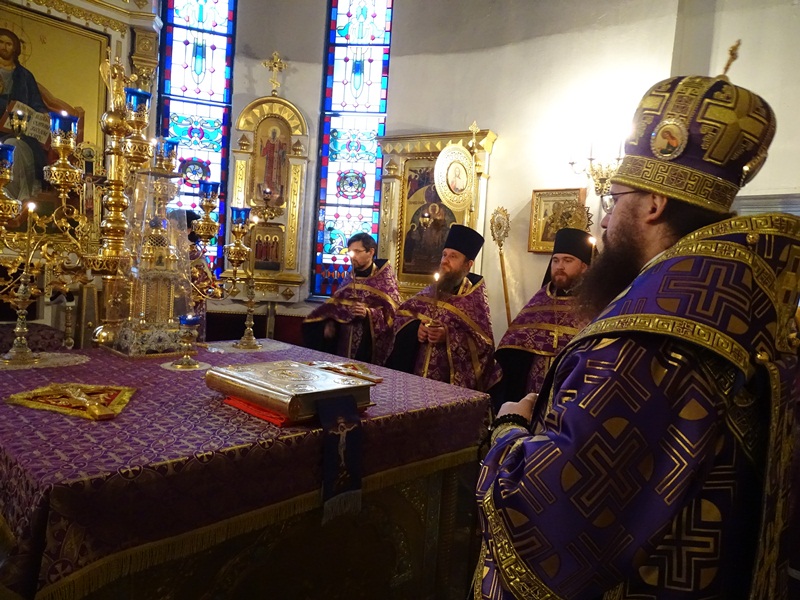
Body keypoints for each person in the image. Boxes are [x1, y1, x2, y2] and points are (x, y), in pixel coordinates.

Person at [475, 71, 797, 599]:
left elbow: (555, 513)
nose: (603, 223)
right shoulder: (740, 306)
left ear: (654, 204)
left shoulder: (648, 337)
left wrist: (509, 429)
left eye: (613, 198)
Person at [387, 224, 502, 392]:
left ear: (468, 264)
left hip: (447, 388)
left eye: (453, 256)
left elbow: (484, 346)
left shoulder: (473, 301)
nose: (444, 261)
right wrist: (415, 328)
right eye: (444, 254)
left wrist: (448, 336)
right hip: (414, 383)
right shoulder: (429, 292)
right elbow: (401, 316)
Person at [493, 227, 593, 411]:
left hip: (576, 388)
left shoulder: (595, 304)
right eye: (555, 260)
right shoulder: (540, 300)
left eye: (568, 260)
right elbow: (513, 348)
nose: (559, 266)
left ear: (584, 267)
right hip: (535, 392)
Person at [303, 232, 401, 366]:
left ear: (371, 252)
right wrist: (329, 322)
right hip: (344, 342)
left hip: (367, 346)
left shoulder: (384, 280)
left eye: (357, 251)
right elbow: (335, 305)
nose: (352, 256)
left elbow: (394, 314)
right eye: (350, 252)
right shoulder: (350, 278)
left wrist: (369, 313)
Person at [0, 28, 48, 202]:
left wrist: (43, 114)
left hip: (20, 132)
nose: (4, 47)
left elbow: (36, 102)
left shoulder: (25, 76)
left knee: (15, 146)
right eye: (1, 42)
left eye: (9, 44)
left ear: (15, 48)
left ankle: (15, 199)